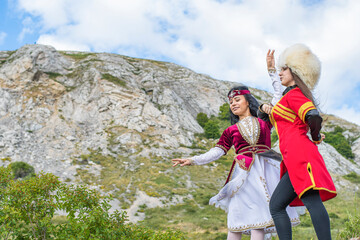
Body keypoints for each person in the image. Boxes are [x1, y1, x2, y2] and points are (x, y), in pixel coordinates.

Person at [172, 86, 299, 240]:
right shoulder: (230, 130)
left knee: (259, 219)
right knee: (236, 218)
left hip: (267, 170)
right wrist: (193, 160)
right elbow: (217, 151)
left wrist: (272, 72)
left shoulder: (265, 122)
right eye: (231, 102)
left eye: (237, 100)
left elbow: (276, 101)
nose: (233, 104)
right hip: (243, 174)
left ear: (248, 101)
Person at [259, 44, 337, 240]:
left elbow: (313, 116)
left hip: (301, 155)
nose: (280, 72)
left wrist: (316, 136)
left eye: (283, 69)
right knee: (276, 206)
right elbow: (278, 96)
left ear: (296, 71)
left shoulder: (295, 94)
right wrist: (270, 72)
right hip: (292, 157)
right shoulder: (287, 96)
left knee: (311, 201)